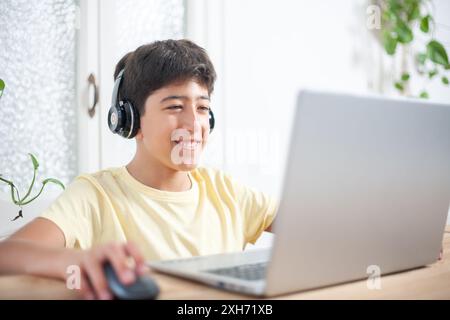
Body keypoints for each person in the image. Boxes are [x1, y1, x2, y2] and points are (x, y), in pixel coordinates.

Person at [0, 39, 279, 300]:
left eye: (203, 107)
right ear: (131, 120)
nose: (194, 124)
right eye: (175, 106)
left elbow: (311, 227)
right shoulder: (96, 196)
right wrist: (70, 261)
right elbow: (6, 255)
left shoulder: (226, 191)